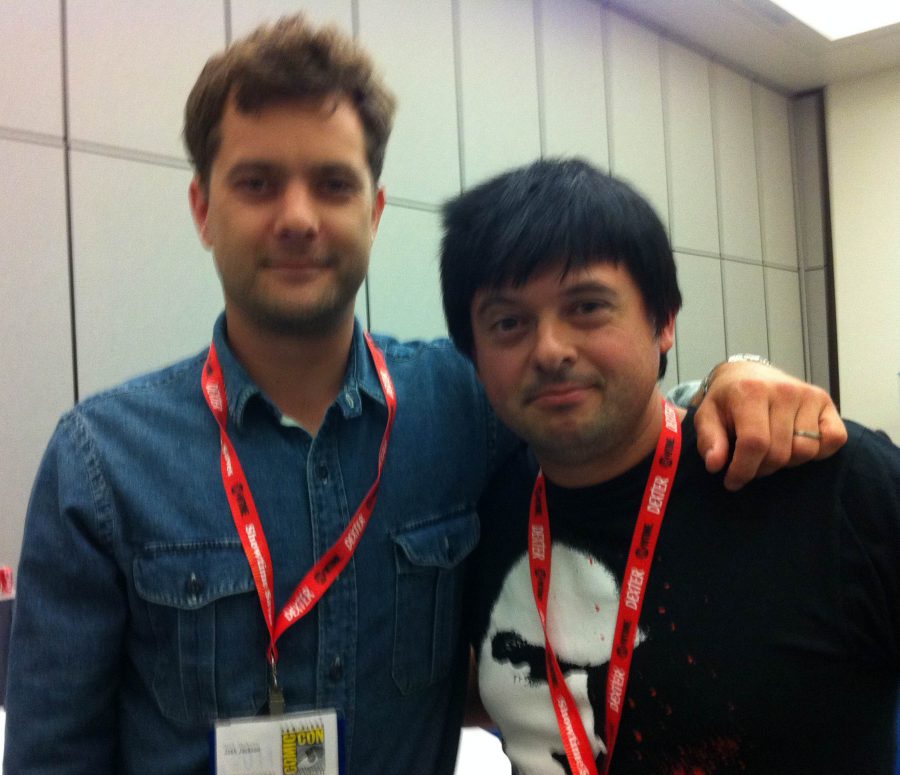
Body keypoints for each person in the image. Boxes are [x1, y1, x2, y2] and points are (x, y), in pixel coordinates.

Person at [4, 15, 846, 775]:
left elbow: (601, 408)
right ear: (202, 209)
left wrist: (729, 380)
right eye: (257, 183)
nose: (298, 217)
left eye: (332, 185)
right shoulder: (102, 461)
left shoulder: (460, 400)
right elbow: (52, 756)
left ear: (373, 211)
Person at [440, 158, 900, 774]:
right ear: (473, 353)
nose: (549, 350)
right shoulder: (476, 514)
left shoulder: (826, 486)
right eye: (508, 322)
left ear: (663, 322)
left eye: (586, 307)